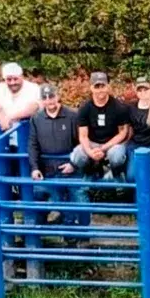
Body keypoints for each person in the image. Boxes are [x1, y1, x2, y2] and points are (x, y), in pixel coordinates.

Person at [28, 84, 88, 227]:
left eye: (52, 96)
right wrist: (34, 168)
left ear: (58, 96)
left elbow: (83, 142)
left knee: (81, 202)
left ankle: (83, 234)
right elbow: (33, 145)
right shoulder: (36, 119)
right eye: (45, 98)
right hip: (47, 171)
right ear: (41, 100)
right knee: (38, 198)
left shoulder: (73, 115)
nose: (49, 100)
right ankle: (38, 233)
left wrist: (74, 164)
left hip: (71, 170)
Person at [72, 72, 130, 180]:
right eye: (97, 86)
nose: (100, 90)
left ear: (108, 86)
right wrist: (90, 152)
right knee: (77, 156)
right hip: (92, 143)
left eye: (103, 86)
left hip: (112, 143)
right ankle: (91, 172)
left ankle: (116, 174)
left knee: (116, 156)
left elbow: (122, 133)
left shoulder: (119, 107)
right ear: (91, 88)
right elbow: (83, 136)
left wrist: (103, 148)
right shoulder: (84, 108)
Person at [0, 62, 42, 144]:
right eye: (9, 80)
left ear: (21, 77)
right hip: (4, 127)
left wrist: (10, 118)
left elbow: (33, 108)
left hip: (25, 130)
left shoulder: (33, 88)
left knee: (26, 122)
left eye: (15, 79)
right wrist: (2, 118)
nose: (12, 83)